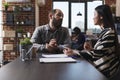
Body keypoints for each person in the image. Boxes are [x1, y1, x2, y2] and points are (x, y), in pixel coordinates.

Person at [63, 5, 120, 78]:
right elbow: (102, 52)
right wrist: (91, 49)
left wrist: (74, 51)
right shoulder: (106, 32)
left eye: (94, 14)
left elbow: (96, 55)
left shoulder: (109, 33)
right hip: (101, 70)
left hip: (106, 72)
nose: (93, 17)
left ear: (101, 16)